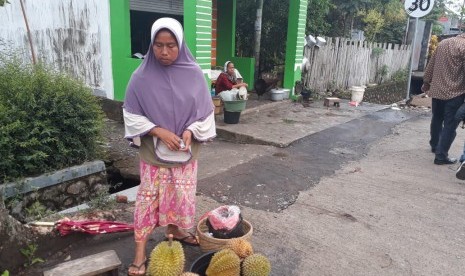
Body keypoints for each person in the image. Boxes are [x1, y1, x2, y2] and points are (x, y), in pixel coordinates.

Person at [123, 17, 216, 275]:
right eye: (159, 45)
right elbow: (130, 114)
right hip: (154, 154)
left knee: (180, 197)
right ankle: (140, 255)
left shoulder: (195, 73)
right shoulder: (140, 77)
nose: (164, 52)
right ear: (152, 45)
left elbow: (205, 114)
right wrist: (159, 131)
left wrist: (190, 130)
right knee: (146, 202)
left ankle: (175, 231)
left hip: (184, 154)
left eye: (171, 45)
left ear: (181, 44)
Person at [422, 33, 465, 165]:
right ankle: (441, 156)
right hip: (455, 92)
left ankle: (435, 145)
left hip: (437, 90)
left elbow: (431, 64)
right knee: (450, 125)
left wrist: (426, 82)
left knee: (437, 118)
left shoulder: (443, 43)